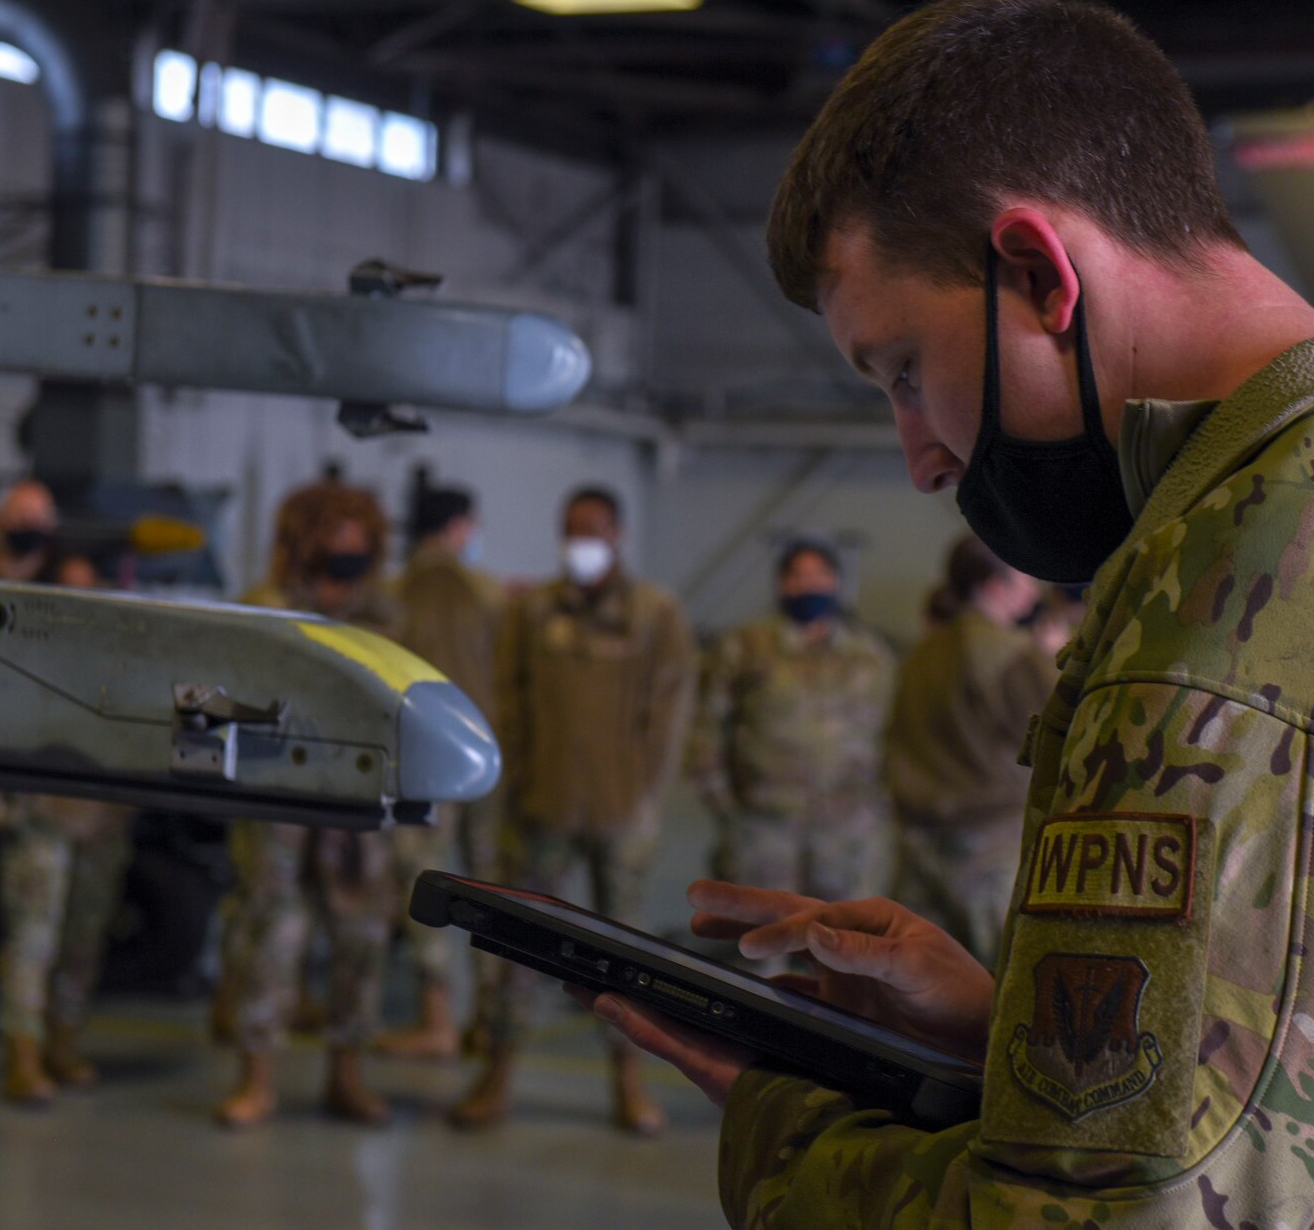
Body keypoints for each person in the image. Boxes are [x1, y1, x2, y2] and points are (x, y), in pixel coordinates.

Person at [587, 0, 1314, 1230]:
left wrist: (788, 1136)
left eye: (900, 372)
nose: (920, 460)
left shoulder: (1247, 586)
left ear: (1041, 273)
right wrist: (1025, 1040)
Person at [447, 485, 696, 1135]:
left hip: (620, 816)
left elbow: (667, 717)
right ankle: (496, 1072)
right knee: (520, 945)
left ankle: (628, 1081)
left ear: (618, 535)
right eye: (571, 530)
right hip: (540, 808)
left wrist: (641, 796)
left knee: (624, 956)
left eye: (593, 530)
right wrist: (518, 786)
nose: (581, 543)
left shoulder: (653, 614)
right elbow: (509, 699)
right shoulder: (532, 613)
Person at [214, 479, 402, 1128]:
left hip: (358, 801)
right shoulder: (262, 609)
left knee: (361, 938)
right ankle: (256, 1076)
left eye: (358, 535)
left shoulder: (386, 615)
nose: (345, 548)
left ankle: (346, 1074)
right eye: (331, 532)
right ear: (300, 540)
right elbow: (215, 705)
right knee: (273, 931)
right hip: (278, 800)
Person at [689, 539, 895, 917]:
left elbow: (892, 734)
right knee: (762, 939)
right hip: (764, 827)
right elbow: (705, 728)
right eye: (797, 576)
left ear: (836, 582)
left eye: (819, 575)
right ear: (781, 584)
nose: (809, 585)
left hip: (846, 832)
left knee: (846, 942)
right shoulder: (744, 647)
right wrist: (724, 806)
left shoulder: (869, 654)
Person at [0, 551, 134, 1107]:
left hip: (100, 817)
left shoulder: (115, 655)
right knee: (33, 940)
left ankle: (62, 1041)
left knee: (83, 938)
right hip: (42, 817)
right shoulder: (23, 655)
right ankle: (21, 1054)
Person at [373, 484, 504, 1060]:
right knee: (492, 890)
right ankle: (491, 1020)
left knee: (423, 884)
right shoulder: (494, 596)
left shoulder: (391, 596)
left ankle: (436, 1017)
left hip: (422, 765)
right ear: (458, 527)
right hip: (491, 762)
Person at [883, 536, 1053, 963]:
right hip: (990, 852)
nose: (1033, 592)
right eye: (1024, 580)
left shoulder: (921, 653)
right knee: (998, 990)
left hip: (918, 846)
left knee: (917, 983)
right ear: (995, 587)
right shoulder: (1015, 654)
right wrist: (1054, 665)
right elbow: (1058, 744)